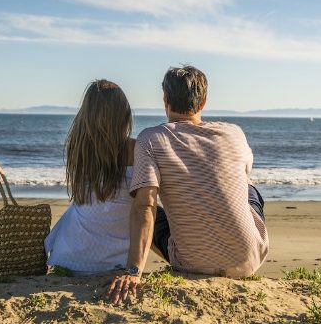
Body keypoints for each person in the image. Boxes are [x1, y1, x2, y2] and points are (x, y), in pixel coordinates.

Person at [107, 65, 269, 303]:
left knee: (140, 202)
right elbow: (240, 177)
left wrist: (133, 271)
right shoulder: (234, 133)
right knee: (248, 186)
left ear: (165, 99)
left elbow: (145, 207)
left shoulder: (151, 139)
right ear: (203, 102)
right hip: (250, 257)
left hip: (192, 263)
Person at [44, 79, 135, 275]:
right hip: (116, 261)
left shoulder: (78, 148)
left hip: (69, 258)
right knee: (149, 209)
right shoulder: (136, 150)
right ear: (123, 114)